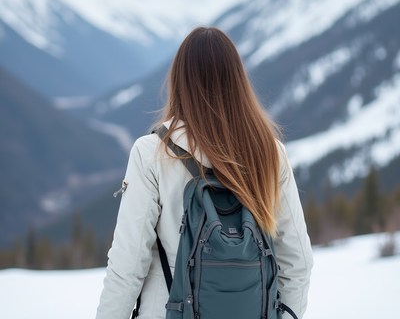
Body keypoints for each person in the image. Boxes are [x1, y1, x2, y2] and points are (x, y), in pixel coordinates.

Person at [95, 27, 313, 319]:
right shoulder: (270, 152)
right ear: (237, 80)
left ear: (180, 81)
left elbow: (127, 268)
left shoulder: (153, 152)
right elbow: (297, 261)